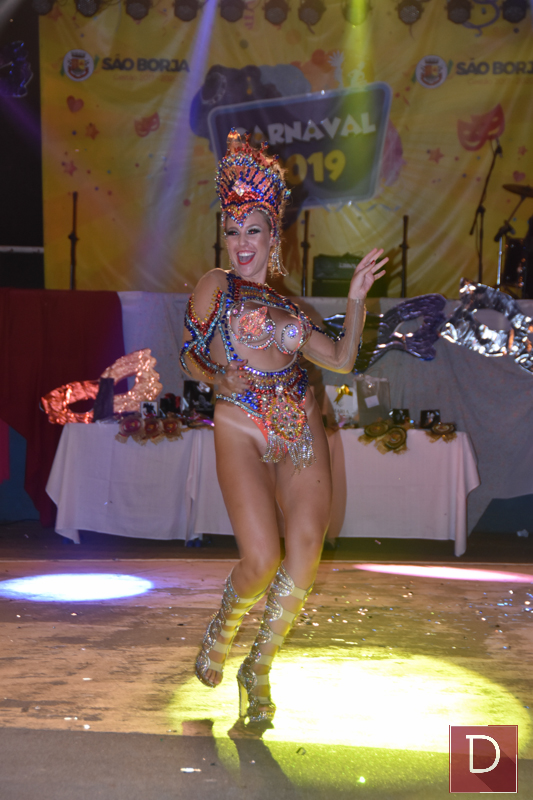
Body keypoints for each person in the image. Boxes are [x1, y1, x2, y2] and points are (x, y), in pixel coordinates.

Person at [180, 130, 387, 723]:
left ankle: (259, 665)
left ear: (274, 237)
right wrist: (217, 379)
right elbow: (188, 355)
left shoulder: (294, 310)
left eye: (254, 230)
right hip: (240, 423)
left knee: (306, 549)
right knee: (261, 558)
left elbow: (341, 359)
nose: (242, 242)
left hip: (298, 424)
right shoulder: (215, 287)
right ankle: (224, 627)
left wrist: (355, 298)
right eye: (233, 230)